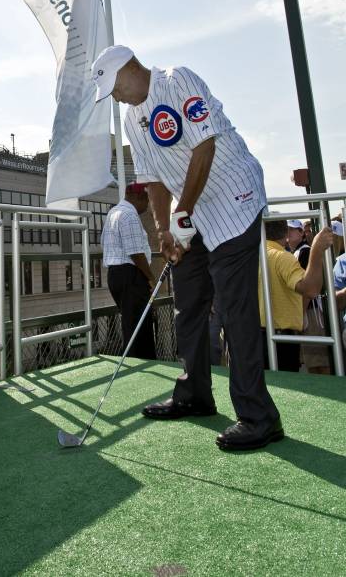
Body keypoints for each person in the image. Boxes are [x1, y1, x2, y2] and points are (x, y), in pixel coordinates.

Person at [91, 44, 283, 452]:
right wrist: (164, 230)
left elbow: (205, 147)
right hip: (190, 213)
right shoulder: (131, 120)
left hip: (234, 197)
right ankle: (194, 392)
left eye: (115, 87)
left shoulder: (178, 80)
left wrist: (184, 213)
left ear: (129, 69)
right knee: (189, 302)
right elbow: (153, 180)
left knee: (234, 309)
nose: (117, 96)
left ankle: (258, 416)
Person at [259, 219, 334, 371]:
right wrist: (317, 249)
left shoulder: (251, 255)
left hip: (255, 337)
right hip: (280, 340)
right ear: (285, 232)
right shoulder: (281, 257)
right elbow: (311, 289)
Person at [101, 182, 157, 359]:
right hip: (130, 276)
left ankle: (136, 363)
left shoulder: (113, 213)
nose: (147, 205)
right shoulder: (129, 215)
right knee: (139, 327)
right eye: (146, 200)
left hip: (116, 274)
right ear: (139, 197)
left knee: (131, 323)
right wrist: (150, 277)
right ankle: (140, 365)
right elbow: (135, 252)